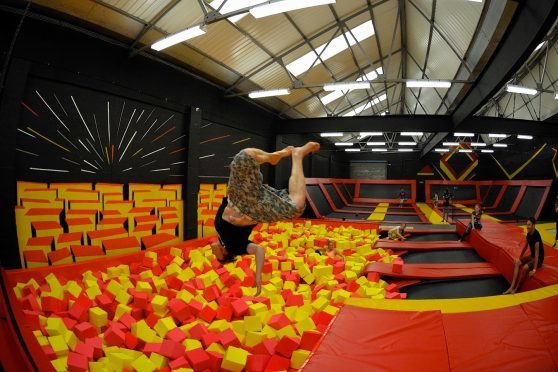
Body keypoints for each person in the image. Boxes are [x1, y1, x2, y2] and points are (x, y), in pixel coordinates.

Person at [211, 142, 320, 296]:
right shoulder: (237, 247)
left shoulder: (220, 236)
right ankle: (297, 156)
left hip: (238, 197)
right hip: (256, 210)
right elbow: (259, 250)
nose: (213, 253)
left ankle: (274, 156)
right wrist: (258, 275)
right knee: (296, 207)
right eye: (217, 256)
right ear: (224, 254)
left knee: (243, 158)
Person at [503, 217, 545, 294]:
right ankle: (511, 286)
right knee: (517, 263)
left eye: (529, 225)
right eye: (527, 224)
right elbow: (525, 246)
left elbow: (537, 254)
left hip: (538, 259)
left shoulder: (537, 237)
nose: (527, 226)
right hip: (532, 256)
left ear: (533, 225)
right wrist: (520, 258)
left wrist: (534, 270)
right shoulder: (529, 234)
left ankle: (516, 289)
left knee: (525, 268)